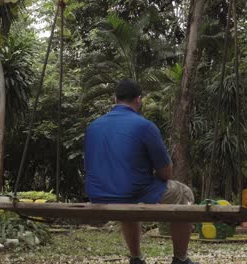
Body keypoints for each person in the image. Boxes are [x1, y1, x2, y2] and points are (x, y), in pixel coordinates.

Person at [84, 79, 198, 264]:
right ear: (139, 100)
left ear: (114, 99)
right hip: (132, 191)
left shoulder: (93, 126)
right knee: (182, 193)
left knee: (128, 198)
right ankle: (180, 258)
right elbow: (166, 173)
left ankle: (136, 257)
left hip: (98, 194)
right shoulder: (144, 126)